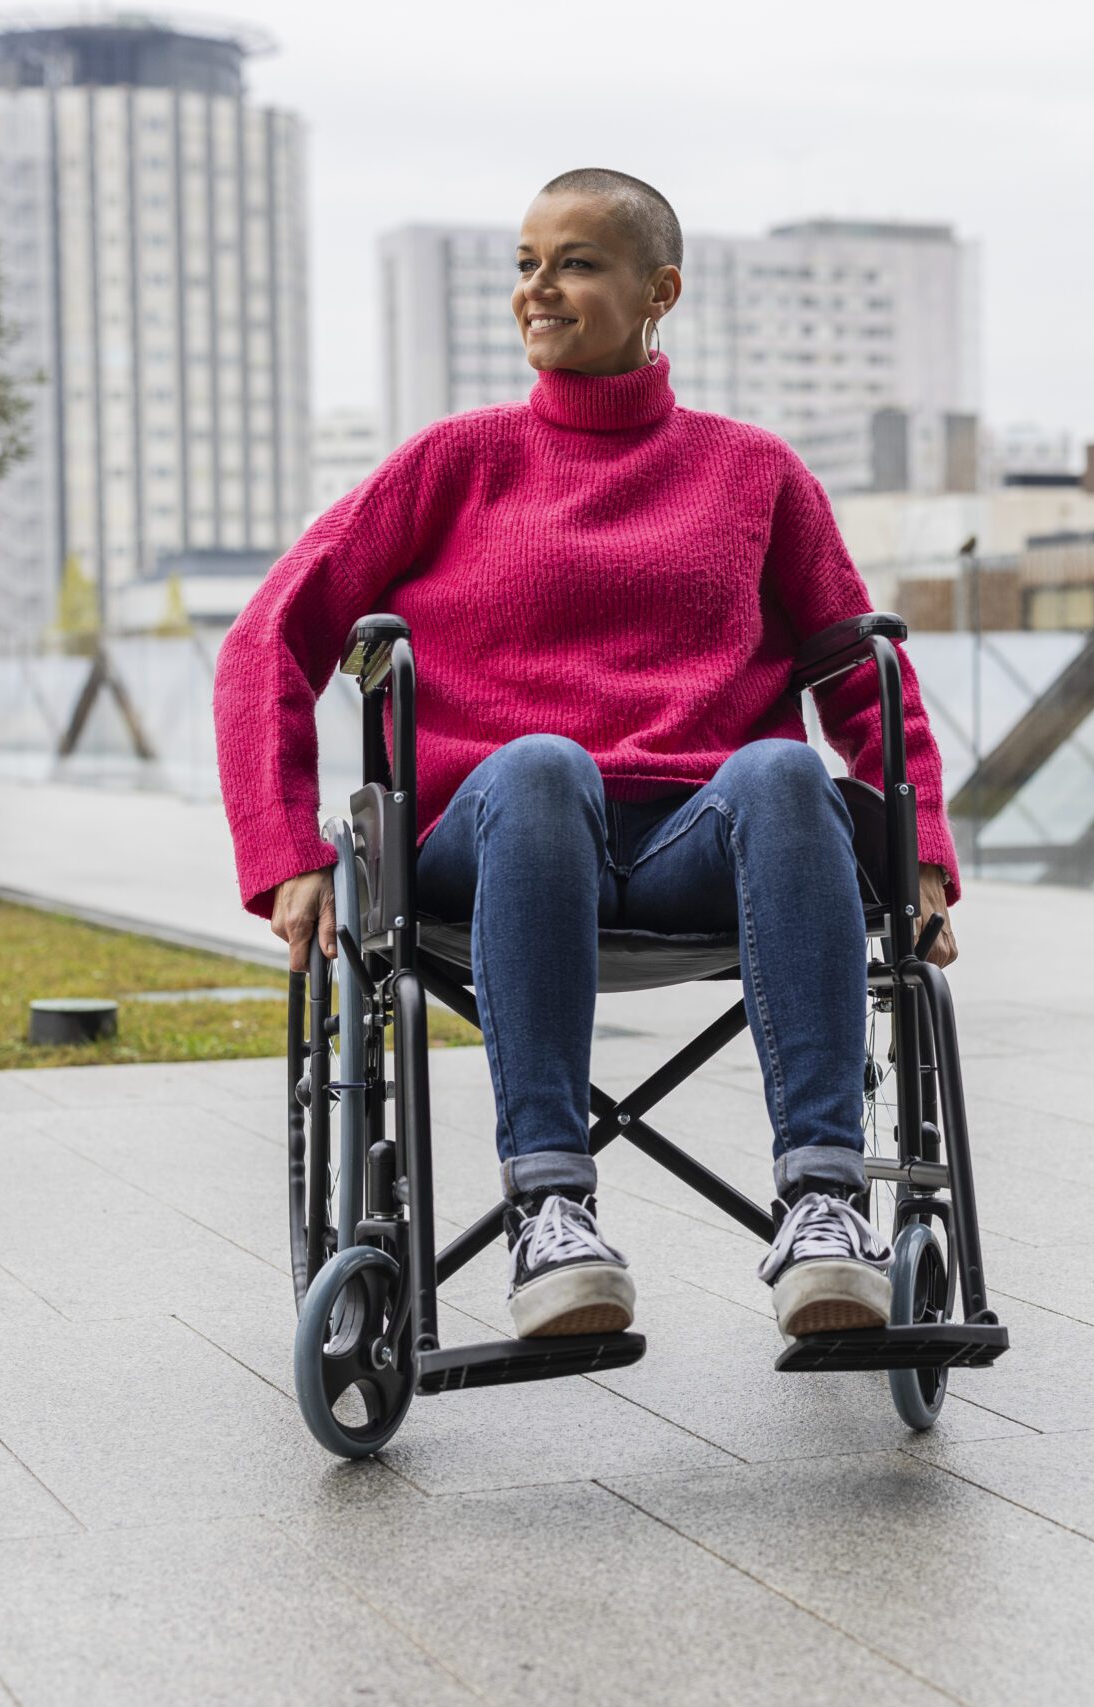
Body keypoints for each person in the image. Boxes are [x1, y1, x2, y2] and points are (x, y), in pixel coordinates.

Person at [215, 167, 961, 1345]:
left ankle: (824, 1205)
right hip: (498, 841)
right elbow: (268, 637)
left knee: (782, 772)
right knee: (540, 763)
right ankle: (551, 1211)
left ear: (659, 289)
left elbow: (856, 671)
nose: (537, 289)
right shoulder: (451, 463)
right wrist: (285, 849)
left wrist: (918, 853)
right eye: (526, 264)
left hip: (690, 846)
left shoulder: (753, 472)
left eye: (574, 262)